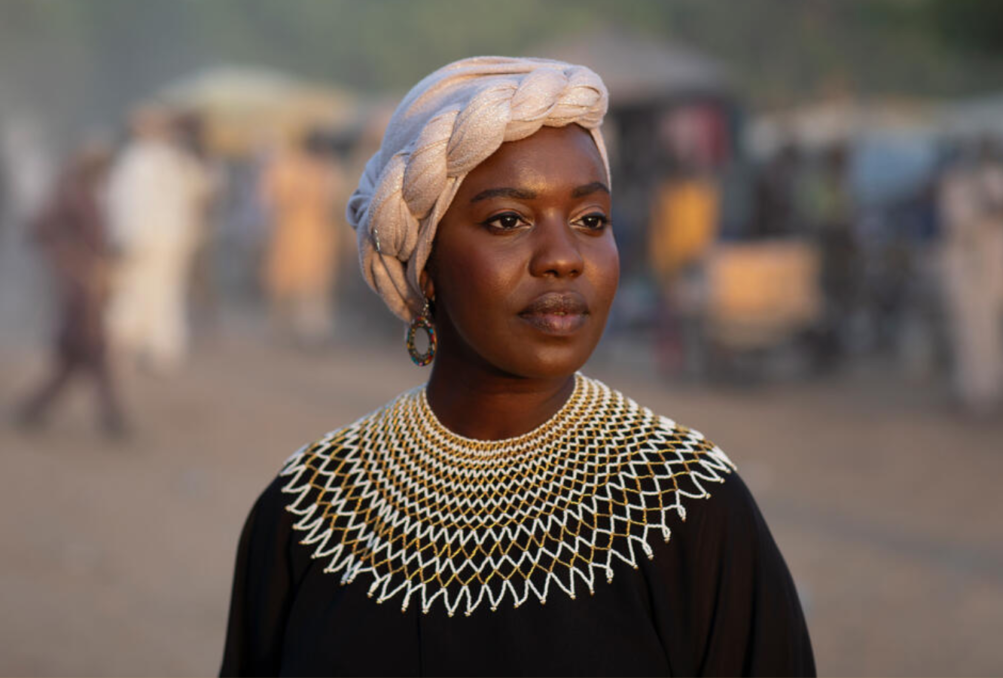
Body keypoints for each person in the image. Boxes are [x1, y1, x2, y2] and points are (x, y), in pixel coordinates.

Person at [220, 57, 815, 677]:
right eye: (508, 220)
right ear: (425, 264)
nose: (563, 258)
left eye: (591, 220)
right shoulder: (310, 510)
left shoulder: (686, 505)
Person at [15, 142, 127, 436]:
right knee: (91, 349)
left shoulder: (81, 194)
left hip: (84, 282)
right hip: (79, 286)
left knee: (78, 358)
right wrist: (68, 259)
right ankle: (111, 419)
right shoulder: (72, 197)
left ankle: (32, 410)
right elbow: (38, 230)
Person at [105, 105, 214, 374]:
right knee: (159, 294)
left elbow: (123, 204)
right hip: (166, 239)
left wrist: (123, 239)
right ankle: (150, 349)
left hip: (149, 239)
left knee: (143, 293)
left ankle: (140, 347)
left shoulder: (140, 161)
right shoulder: (169, 160)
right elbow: (202, 191)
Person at [938, 136, 1003, 414]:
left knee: (993, 331)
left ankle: (994, 388)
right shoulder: (956, 183)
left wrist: (997, 207)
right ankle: (974, 392)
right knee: (970, 333)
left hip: (992, 269)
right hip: (966, 269)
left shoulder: (999, 179)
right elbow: (958, 223)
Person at [261, 130, 344, 346]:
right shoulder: (293, 167)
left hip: (311, 234)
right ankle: (291, 330)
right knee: (290, 286)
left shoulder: (322, 170)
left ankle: (309, 331)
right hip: (296, 234)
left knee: (311, 288)